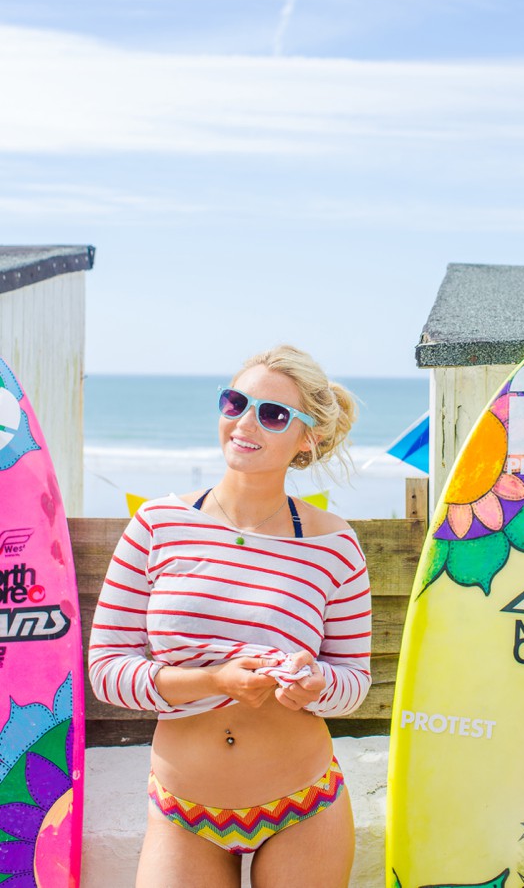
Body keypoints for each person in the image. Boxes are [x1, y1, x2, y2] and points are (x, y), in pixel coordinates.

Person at [89, 344, 371, 888]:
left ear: (307, 437)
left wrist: (315, 685)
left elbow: (353, 681)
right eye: (234, 402)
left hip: (304, 804)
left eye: (272, 414)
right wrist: (212, 681)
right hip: (184, 812)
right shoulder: (157, 524)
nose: (244, 422)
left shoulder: (336, 545)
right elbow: (105, 669)